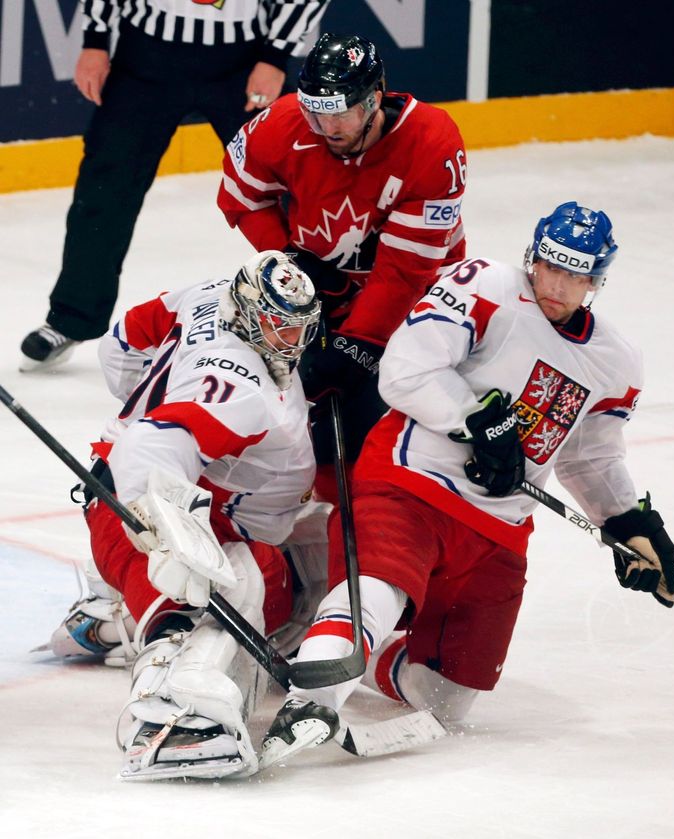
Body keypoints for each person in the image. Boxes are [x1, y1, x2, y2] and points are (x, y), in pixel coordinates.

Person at [254, 202, 674, 768]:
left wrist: (628, 522)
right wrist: (479, 419)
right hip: (410, 480)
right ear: (533, 257)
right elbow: (405, 370)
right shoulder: (484, 284)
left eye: (577, 276)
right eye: (551, 266)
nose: (558, 285)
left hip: (498, 530)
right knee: (380, 591)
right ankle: (309, 700)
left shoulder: (615, 361)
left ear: (597, 280)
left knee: (448, 700)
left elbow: (589, 454)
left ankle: (324, 630)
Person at [50, 250, 325, 780]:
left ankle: (106, 618)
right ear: (246, 311)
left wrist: (140, 405)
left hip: (151, 488)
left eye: (298, 330)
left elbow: (122, 343)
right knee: (219, 589)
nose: (290, 344)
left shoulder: (208, 294)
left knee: (271, 577)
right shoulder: (239, 385)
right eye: (277, 327)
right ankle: (166, 718)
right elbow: (154, 445)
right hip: (132, 501)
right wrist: (167, 531)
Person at [218, 32, 468, 498]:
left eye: (341, 113)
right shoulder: (285, 123)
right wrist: (294, 265)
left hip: (418, 302)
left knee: (374, 428)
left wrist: (357, 345)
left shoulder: (431, 142)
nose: (327, 126)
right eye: (315, 111)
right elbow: (240, 196)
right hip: (322, 295)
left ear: (373, 100)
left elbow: (405, 272)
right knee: (289, 420)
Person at [19, 0, 330, 372]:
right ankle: (71, 319)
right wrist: (96, 39)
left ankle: (319, 319)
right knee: (104, 191)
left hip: (243, 60)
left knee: (286, 191)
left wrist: (275, 55)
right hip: (145, 57)